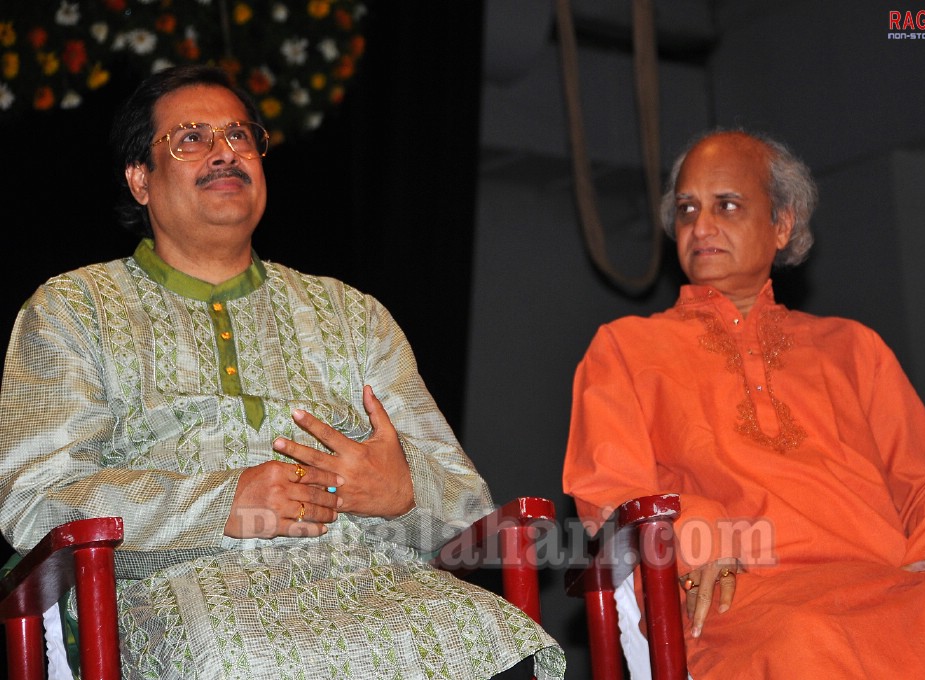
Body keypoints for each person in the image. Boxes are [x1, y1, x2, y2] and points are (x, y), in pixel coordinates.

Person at [0, 64, 564, 680]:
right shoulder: (72, 309)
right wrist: (222, 503)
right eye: (191, 138)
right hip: (182, 586)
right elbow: (36, 499)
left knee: (501, 643)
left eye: (240, 136)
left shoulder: (353, 316)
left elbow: (465, 507)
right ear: (141, 180)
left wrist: (401, 496)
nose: (224, 152)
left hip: (372, 582)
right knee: (240, 655)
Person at [563, 128, 925, 678]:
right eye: (686, 209)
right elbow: (610, 490)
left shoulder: (853, 347)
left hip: (891, 584)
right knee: (804, 641)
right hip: (740, 597)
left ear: (782, 224)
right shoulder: (624, 347)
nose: (700, 226)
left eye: (726, 205)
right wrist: (698, 530)